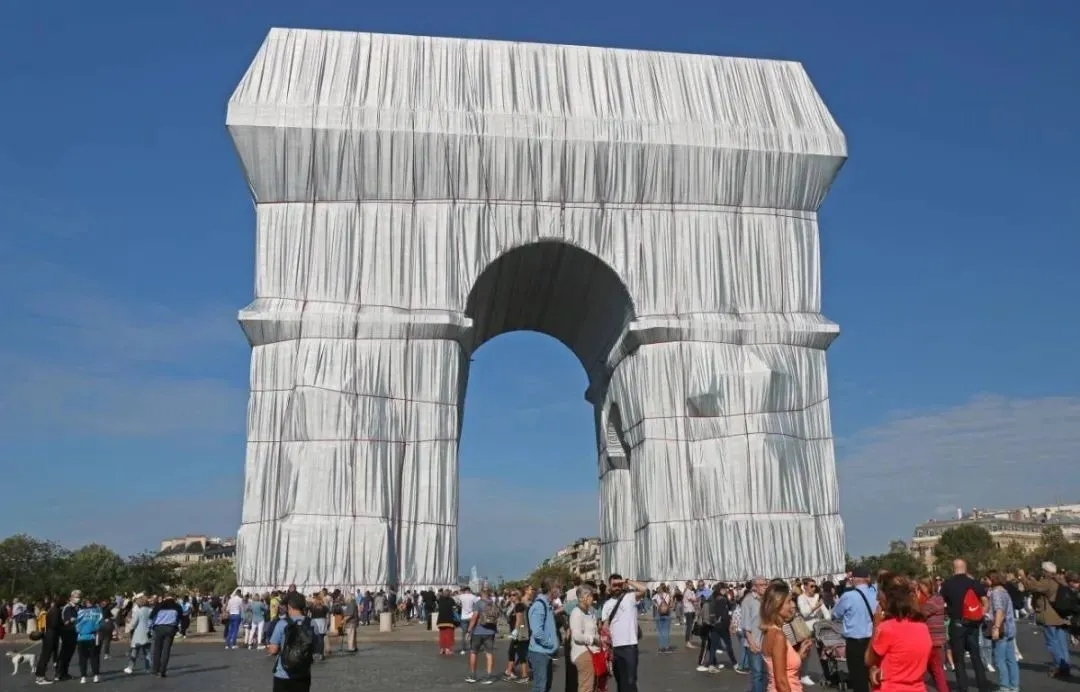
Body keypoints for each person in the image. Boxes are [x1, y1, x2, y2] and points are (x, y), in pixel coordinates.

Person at [866, 575, 931, 692]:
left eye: (880, 599)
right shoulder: (923, 628)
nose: (878, 602)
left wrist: (876, 625)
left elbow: (869, 660)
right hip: (917, 687)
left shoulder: (886, 628)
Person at [939, 559, 989, 692]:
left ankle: (963, 687)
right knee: (975, 656)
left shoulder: (947, 585)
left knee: (959, 658)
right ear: (965, 568)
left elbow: (941, 603)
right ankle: (983, 686)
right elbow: (985, 601)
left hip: (957, 624)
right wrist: (980, 615)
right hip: (972, 624)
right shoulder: (973, 583)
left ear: (953, 568)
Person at [830, 567, 877, 692]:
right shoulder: (876, 593)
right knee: (875, 674)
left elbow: (835, 614)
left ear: (854, 579)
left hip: (855, 642)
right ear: (867, 578)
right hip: (874, 640)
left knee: (858, 677)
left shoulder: (848, 596)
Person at [761, 582, 813, 692]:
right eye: (788, 602)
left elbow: (782, 666)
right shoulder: (778, 636)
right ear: (777, 605)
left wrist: (798, 654)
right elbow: (781, 682)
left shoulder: (771, 631)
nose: (793, 605)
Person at [600, 574, 646, 692]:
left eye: (619, 584)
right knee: (620, 680)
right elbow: (605, 627)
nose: (617, 587)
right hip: (614, 648)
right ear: (609, 586)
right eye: (614, 585)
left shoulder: (630, 597)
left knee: (630, 680)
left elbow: (644, 589)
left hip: (630, 645)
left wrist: (626, 580)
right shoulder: (607, 604)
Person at [268, 591, 315, 692]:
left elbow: (273, 650)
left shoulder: (282, 623)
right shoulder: (312, 623)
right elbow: (317, 646)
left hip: (283, 674)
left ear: (289, 606)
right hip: (304, 672)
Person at [987, 572, 1020, 692]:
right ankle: (1014, 685)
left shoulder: (996, 592)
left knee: (1000, 659)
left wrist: (996, 627)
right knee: (1011, 659)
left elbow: (999, 610)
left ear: (992, 580)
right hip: (1010, 627)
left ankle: (1004, 686)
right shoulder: (1004, 591)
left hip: (1002, 628)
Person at [528, 580, 560, 692]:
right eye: (558, 588)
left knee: (545, 686)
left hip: (545, 652)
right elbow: (537, 632)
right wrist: (550, 643)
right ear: (552, 590)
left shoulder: (547, 604)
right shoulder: (539, 606)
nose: (560, 591)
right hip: (540, 653)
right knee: (540, 687)